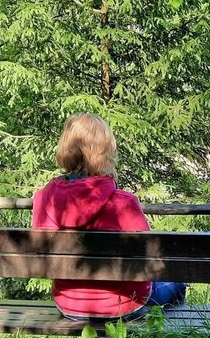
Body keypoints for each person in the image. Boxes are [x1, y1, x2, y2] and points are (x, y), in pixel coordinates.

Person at [32, 114, 186, 320]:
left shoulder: (44, 199)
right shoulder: (124, 202)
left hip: (68, 304)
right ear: (106, 152)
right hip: (126, 303)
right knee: (178, 283)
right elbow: (148, 258)